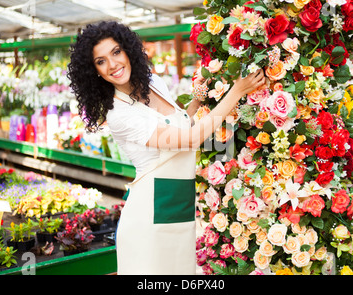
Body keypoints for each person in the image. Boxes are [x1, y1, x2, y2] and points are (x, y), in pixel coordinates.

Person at [68, 21, 266, 275]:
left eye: (116, 52)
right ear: (94, 71)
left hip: (179, 206)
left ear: (128, 50)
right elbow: (192, 139)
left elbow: (183, 124)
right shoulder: (120, 115)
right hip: (148, 219)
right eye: (101, 61)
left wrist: (203, 94)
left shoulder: (154, 83)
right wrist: (237, 91)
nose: (113, 64)